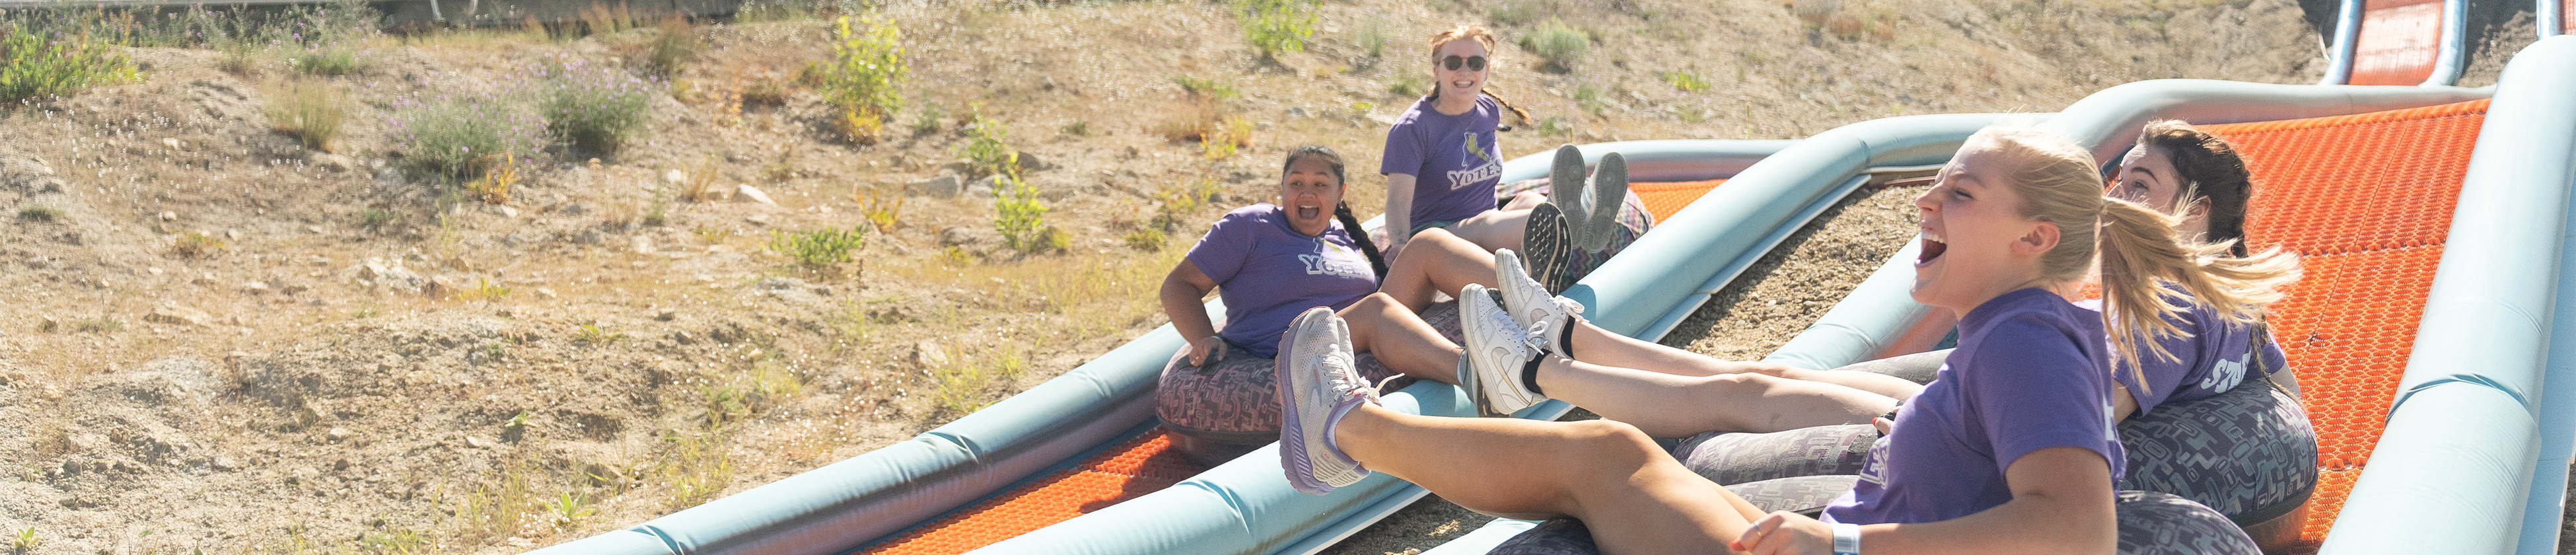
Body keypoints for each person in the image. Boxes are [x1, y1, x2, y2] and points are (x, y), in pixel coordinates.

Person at [1275, 126, 2295, 554]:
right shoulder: (2018, 327)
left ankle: (1350, 431)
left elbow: (2076, 531)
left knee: (1604, 459)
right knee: (1657, 438)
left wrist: (1844, 541)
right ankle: (1543, 358)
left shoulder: (2032, 339)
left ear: (2033, 240)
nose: (1929, 199)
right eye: (1938, 181)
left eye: (1961, 193)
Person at [1153, 145, 1476, 463]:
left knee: (1428, 244)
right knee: (1375, 311)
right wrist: (1202, 337)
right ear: (1282, 189)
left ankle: (1524, 299)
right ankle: (1477, 376)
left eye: (1321, 185)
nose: (1307, 193)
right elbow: (1178, 285)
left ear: (1340, 194)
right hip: (1298, 345)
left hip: (1358, 334)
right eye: (1296, 183)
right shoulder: (1251, 226)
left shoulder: (1343, 236)